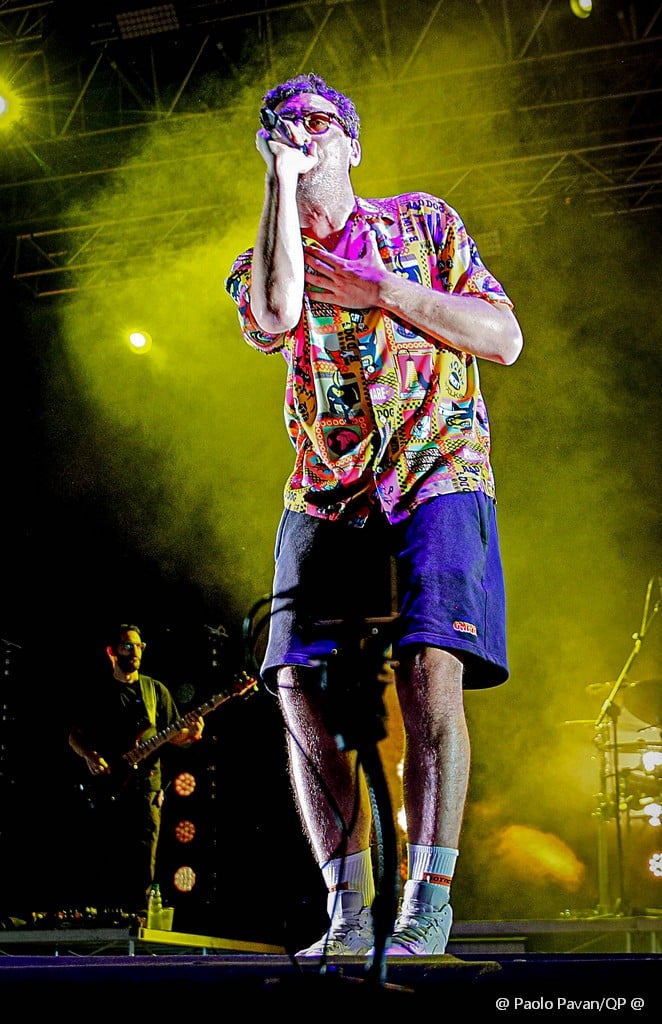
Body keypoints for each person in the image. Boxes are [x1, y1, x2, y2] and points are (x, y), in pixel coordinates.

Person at [225, 72, 523, 958]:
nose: (302, 132)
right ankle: (348, 912)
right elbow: (275, 313)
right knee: (296, 683)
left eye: (320, 122)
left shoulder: (423, 224)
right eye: (284, 124)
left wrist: (384, 289)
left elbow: (503, 337)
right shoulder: (263, 253)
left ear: (353, 143)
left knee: (429, 667)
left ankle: (427, 901)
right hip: (328, 485)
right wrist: (280, 182)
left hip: (439, 466)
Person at [68, 623, 204, 914]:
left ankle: (138, 917)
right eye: (127, 646)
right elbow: (74, 736)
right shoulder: (97, 692)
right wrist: (90, 756)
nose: (135, 652)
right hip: (106, 786)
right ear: (112, 652)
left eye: (139, 646)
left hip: (146, 788)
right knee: (104, 854)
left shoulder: (155, 691)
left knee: (143, 858)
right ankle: (99, 916)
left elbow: (174, 735)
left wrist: (191, 735)